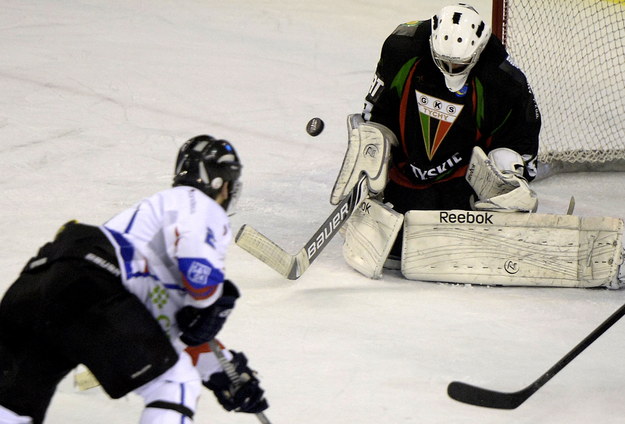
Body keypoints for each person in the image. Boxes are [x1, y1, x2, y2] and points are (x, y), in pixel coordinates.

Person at [0, 135, 269, 423]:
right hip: (93, 289)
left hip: (38, 282)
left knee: (13, 406)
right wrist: (209, 303)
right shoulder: (196, 204)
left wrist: (221, 371)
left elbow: (157, 329)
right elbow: (198, 272)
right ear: (222, 183)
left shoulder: (142, 230)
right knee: (175, 385)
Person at [334, 3, 542, 275]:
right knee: (371, 143)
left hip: (460, 181)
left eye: (459, 63)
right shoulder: (402, 49)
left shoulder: (504, 82)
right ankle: (381, 198)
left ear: (478, 52)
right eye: (443, 60)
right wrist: (370, 154)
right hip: (405, 170)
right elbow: (377, 112)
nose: (451, 69)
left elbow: (520, 139)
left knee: (501, 172)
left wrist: (513, 179)